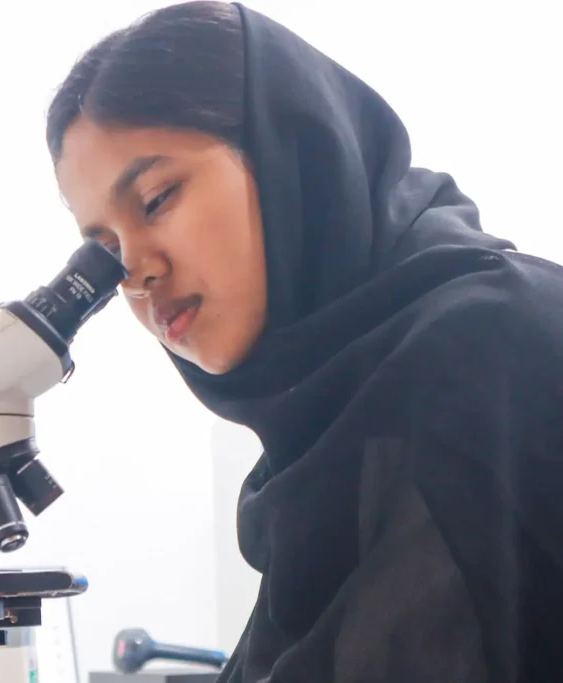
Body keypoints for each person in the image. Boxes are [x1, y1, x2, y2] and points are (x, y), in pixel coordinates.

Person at [45, 2, 563, 682]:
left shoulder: (475, 347)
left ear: (290, 147)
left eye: (157, 198)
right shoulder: (329, 427)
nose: (136, 271)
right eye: (106, 251)